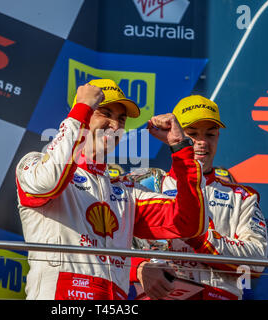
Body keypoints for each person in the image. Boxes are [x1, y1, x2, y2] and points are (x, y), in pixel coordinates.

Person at [15, 79, 208, 300]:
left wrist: (180, 147)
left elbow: (190, 223)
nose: (115, 126)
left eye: (121, 119)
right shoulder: (34, 164)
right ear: (85, 114)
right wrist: (81, 110)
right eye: (105, 113)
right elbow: (51, 181)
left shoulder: (125, 192)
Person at [132, 95, 268, 300]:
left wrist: (198, 236)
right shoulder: (145, 186)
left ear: (218, 137)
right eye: (192, 134)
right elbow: (107, 243)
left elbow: (256, 263)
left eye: (210, 134)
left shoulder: (241, 197)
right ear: (173, 135)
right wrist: (139, 268)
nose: (202, 142)